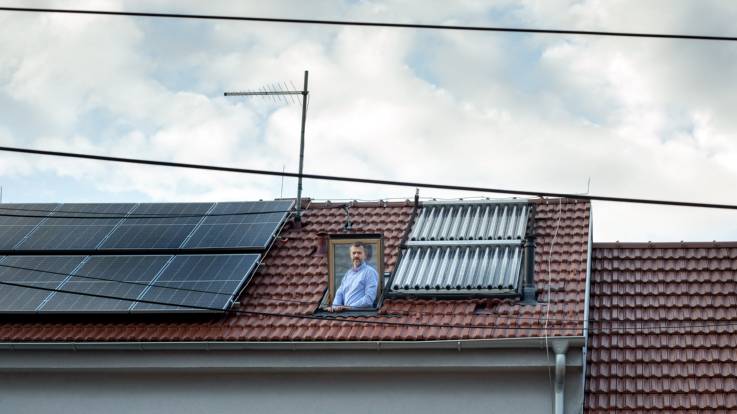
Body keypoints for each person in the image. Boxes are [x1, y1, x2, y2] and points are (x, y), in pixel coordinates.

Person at [327, 242, 378, 312]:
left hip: (361, 316)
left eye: (359, 253)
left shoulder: (370, 272)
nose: (356, 255)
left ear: (365, 255)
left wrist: (349, 308)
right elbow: (340, 293)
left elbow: (369, 300)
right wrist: (334, 307)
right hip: (346, 314)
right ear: (351, 255)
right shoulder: (348, 274)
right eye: (354, 253)